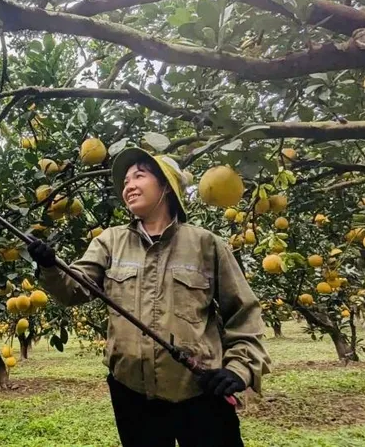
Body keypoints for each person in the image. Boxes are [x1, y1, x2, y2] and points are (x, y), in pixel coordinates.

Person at [28, 146, 270, 447]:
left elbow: (244, 313)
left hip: (200, 391)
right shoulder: (110, 242)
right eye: (126, 181)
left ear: (166, 186)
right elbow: (73, 290)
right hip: (132, 395)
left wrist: (238, 369)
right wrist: (50, 266)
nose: (128, 186)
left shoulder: (206, 244)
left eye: (139, 176)